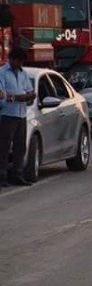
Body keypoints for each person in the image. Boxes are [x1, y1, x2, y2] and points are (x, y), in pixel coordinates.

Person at [0, 48, 36, 187]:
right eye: (19, 61)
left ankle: (18, 174)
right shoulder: (2, 73)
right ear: (12, 59)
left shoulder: (23, 73)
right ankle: (2, 176)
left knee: (20, 147)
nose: (21, 64)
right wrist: (17, 97)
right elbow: (3, 95)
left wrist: (18, 97)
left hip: (22, 114)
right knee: (4, 147)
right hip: (7, 115)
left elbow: (30, 93)